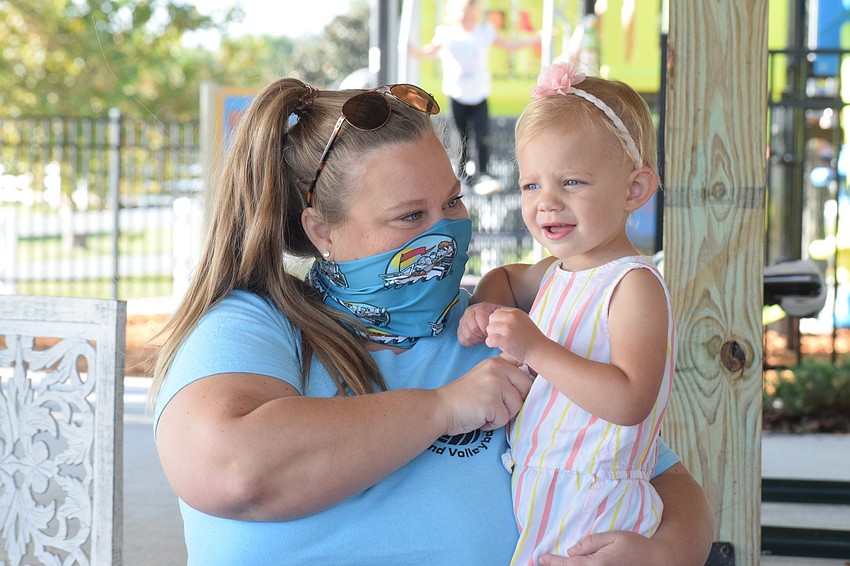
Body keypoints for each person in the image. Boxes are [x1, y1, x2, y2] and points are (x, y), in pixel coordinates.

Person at [150, 75, 713, 565]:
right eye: (410, 216)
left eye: (452, 202)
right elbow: (233, 472)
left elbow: (656, 473)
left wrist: (667, 554)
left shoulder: (498, 331)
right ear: (322, 232)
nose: (442, 231)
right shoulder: (253, 323)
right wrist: (444, 409)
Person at [458, 61, 675, 564]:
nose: (547, 203)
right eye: (531, 185)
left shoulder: (631, 285)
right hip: (544, 490)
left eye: (572, 182)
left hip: (595, 502)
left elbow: (630, 400)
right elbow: (505, 278)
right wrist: (488, 307)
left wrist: (535, 348)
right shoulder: (558, 271)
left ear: (634, 190)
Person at [409, 0, 539, 196]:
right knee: (460, 135)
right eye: (463, 13)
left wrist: (536, 39)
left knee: (482, 134)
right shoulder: (447, 34)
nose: (467, 17)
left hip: (479, 94)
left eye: (471, 13)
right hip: (457, 94)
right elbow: (426, 53)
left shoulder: (484, 32)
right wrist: (411, 49)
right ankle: (461, 176)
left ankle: (483, 174)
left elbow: (510, 45)